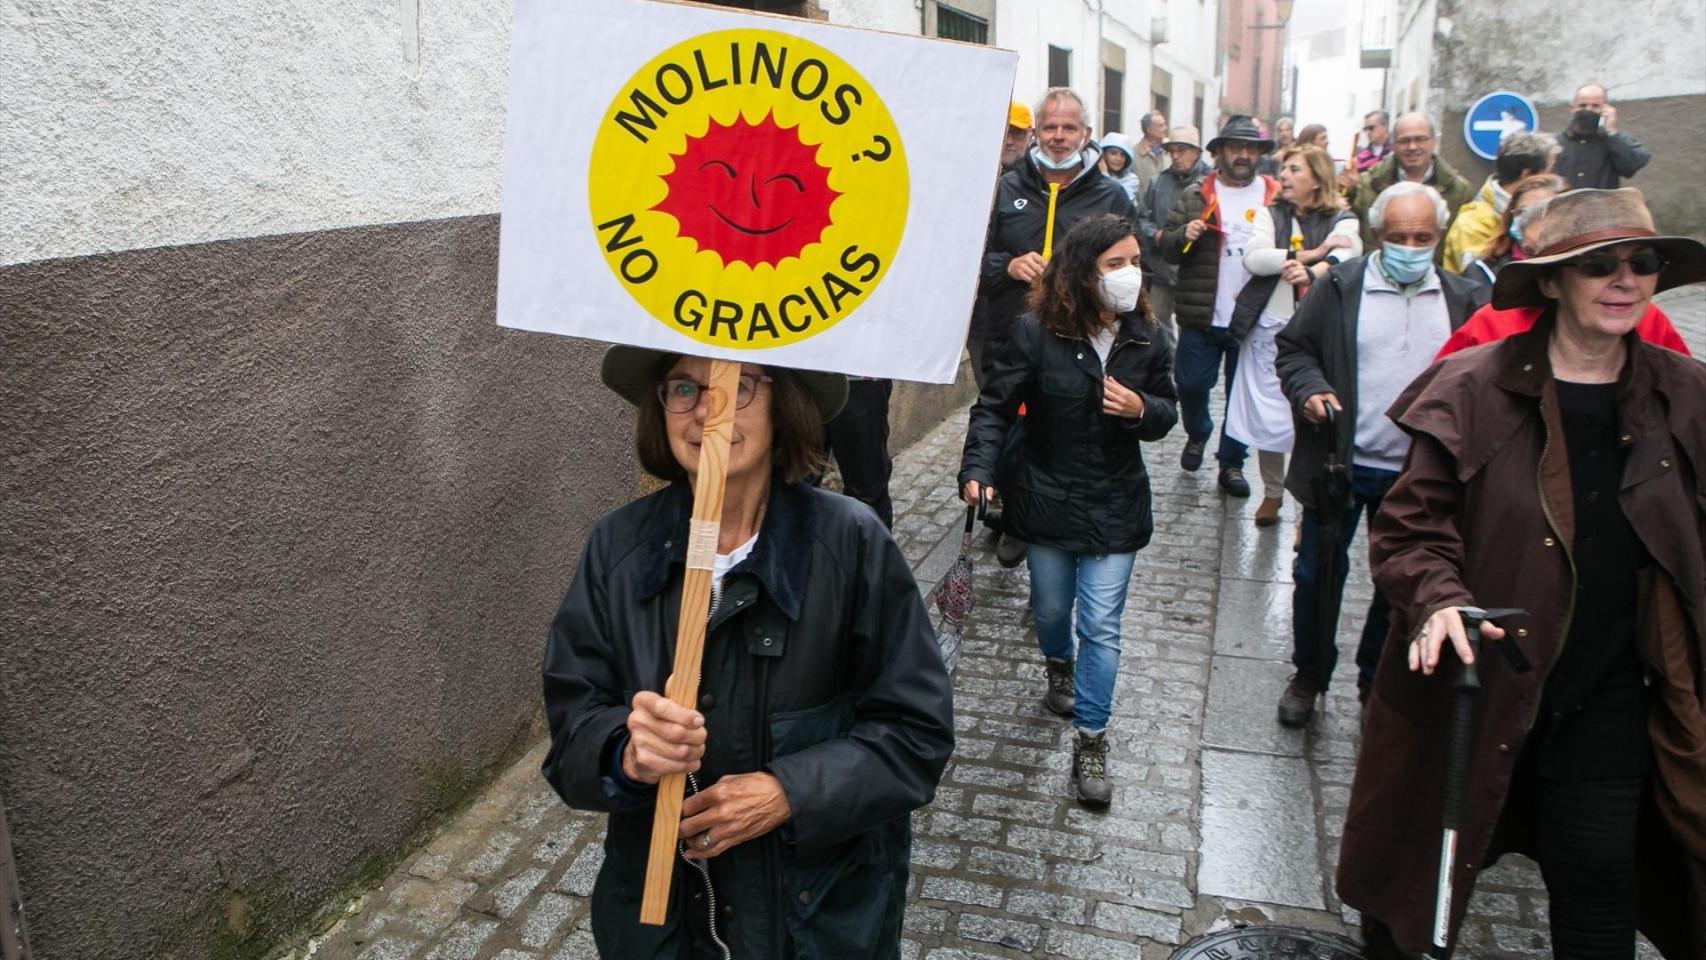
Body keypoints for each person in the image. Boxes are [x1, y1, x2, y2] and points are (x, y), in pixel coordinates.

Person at [1342, 187, 1706, 959]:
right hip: (1473, 684)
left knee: (1600, 879)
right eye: (1598, 265)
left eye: (1641, 263)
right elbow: (1411, 527)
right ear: (1550, 281)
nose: (1625, 280)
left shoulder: (1686, 394)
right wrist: (1438, 598)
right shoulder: (1472, 385)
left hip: (1611, 690)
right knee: (1421, 896)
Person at [542, 349, 955, 959]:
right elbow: (572, 729)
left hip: (813, 926)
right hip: (662, 931)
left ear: (783, 405)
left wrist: (790, 791)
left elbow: (916, 735)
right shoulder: (617, 550)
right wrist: (624, 752)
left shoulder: (852, 543)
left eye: (737, 388)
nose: (705, 411)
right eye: (683, 388)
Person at [958, 213, 1179, 807]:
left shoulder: (1149, 338)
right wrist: (978, 470)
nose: (1130, 274)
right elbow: (994, 407)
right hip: (1046, 498)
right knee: (1052, 611)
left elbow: (1166, 412)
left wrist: (1140, 408)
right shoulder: (1035, 333)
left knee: (1101, 627)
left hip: (1116, 505)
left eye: (1135, 262)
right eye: (1115, 264)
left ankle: (1091, 737)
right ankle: (1058, 664)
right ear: (1083, 274)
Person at [1272, 183, 1490, 726]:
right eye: (1398, 237)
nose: (1410, 247)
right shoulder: (1341, 287)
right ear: (1376, 235)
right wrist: (1311, 390)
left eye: (1422, 237)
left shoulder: (1466, 300)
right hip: (1341, 464)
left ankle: (1378, 680)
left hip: (1421, 476)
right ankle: (1310, 673)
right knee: (1317, 575)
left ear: (1439, 236)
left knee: (1400, 586)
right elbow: (1294, 350)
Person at [978, 87, 1138, 562]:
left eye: (1070, 128)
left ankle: (1051, 526)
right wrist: (1007, 266)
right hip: (1009, 334)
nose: (1060, 136)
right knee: (1005, 429)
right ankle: (1013, 515)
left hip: (1078, 341)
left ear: (1086, 134)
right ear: (1036, 132)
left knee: (1059, 434)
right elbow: (970, 260)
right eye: (1050, 126)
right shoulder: (1005, 187)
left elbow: (1129, 270)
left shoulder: (1109, 195)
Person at [1228, 145, 1362, 527]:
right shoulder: (1272, 214)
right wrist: (1312, 253)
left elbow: (1349, 253)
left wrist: (1317, 271)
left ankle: (1308, 506)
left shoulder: (1343, 216)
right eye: (1283, 169)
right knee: (1268, 414)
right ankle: (1272, 493)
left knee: (1311, 415)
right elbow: (1255, 257)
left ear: (1317, 179)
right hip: (1270, 323)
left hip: (1318, 330)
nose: (1283, 176)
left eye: (1294, 170)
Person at [1160, 115, 1279, 497]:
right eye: (1235, 147)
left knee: (1241, 396)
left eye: (1251, 148)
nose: (1244, 155)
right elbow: (1165, 248)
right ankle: (1198, 432)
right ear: (1219, 152)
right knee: (1191, 385)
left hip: (1255, 319)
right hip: (1202, 315)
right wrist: (1184, 234)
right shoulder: (1196, 195)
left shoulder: (1274, 197)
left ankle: (1231, 463)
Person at [1348, 113, 1475, 253]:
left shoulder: (1459, 190)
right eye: (1404, 141)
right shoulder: (1367, 185)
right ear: (1394, 144)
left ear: (1433, 141)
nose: (1412, 147)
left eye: (1420, 139)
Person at [1441, 131, 1559, 274]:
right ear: (1527, 175)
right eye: (1548, 171)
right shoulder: (1471, 226)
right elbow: (1482, 282)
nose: (1554, 178)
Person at [1138, 125, 1210, 344]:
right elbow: (1141, 218)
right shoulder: (1158, 182)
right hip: (1161, 265)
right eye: (1172, 151)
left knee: (1194, 331)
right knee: (1156, 324)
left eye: (1182, 150)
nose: (1175, 157)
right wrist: (1156, 235)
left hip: (1197, 272)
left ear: (1196, 152)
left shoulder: (1211, 184)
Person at [1459, 173, 1565, 291]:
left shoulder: (1575, 274)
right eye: (1522, 212)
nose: (1528, 220)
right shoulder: (1484, 273)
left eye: (1541, 212)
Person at [822, 376, 894, 528]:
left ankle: (872, 549)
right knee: (793, 484)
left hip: (861, 379)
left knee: (867, 493)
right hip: (800, 377)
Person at [1555, 82, 1651, 190]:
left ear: (1605, 109)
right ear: (1573, 108)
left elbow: (1631, 166)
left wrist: (1610, 131)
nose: (1588, 110)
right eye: (1583, 105)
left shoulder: (1613, 140)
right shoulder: (1554, 144)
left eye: (1595, 106)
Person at [1131, 110, 1170, 190]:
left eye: (1164, 124)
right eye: (1160, 126)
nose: (1165, 128)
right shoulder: (1134, 154)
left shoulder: (1170, 151)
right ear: (1149, 130)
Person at [1098, 131, 1142, 201]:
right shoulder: (1092, 176)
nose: (1118, 159)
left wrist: (1104, 174)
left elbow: (1115, 200)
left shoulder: (1131, 180)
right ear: (1103, 155)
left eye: (1122, 155)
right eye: (1113, 153)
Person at [999, 99, 1033, 173]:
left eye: (1018, 133)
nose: (1008, 141)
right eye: (1004, 132)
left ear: (1030, 136)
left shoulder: (1041, 178)